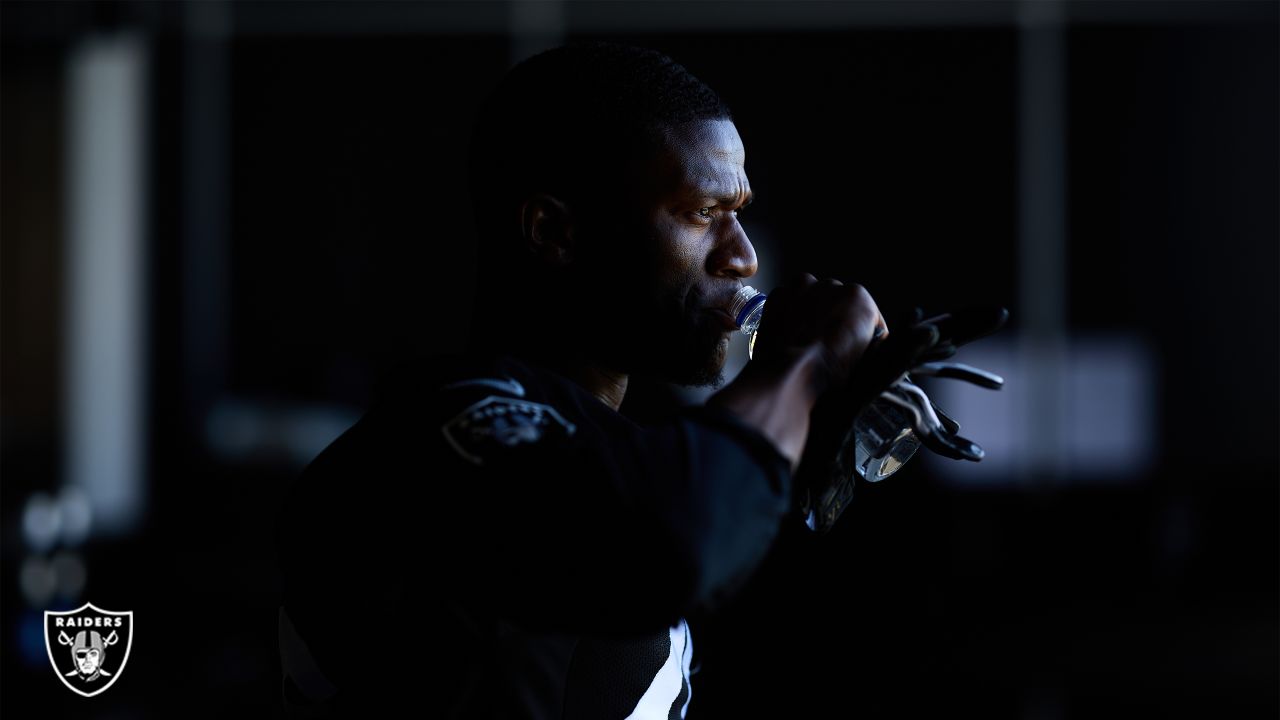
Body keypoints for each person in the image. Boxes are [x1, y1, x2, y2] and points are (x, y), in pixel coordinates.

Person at [275, 41, 906, 718]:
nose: (744, 257)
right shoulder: (439, 436)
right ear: (555, 232)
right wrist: (800, 367)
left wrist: (810, 451)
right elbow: (669, 542)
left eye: (740, 214)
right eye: (701, 214)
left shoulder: (611, 451)